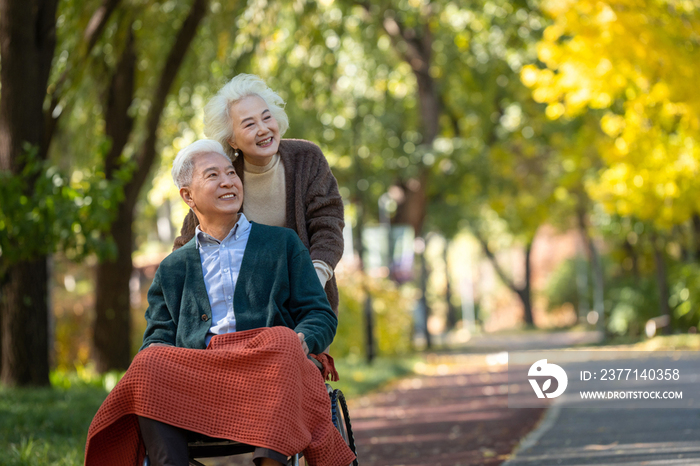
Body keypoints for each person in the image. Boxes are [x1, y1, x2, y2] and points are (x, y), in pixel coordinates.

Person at [84, 140, 355, 466]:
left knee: (282, 339)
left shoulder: (282, 244)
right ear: (188, 196)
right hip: (200, 374)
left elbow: (318, 313)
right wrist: (159, 361)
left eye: (231, 173)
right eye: (213, 175)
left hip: (265, 365)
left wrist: (303, 339)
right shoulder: (172, 268)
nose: (228, 181)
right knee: (147, 363)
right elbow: (157, 339)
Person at [174, 74, 344, 318]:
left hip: (308, 304)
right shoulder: (226, 179)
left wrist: (312, 284)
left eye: (266, 117)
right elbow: (189, 240)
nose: (263, 129)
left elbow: (328, 226)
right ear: (231, 139)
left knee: (303, 355)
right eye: (249, 124)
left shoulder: (307, 159)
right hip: (245, 314)